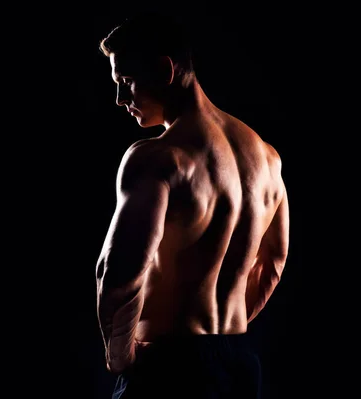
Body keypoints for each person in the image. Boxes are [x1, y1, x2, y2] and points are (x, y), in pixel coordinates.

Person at [94, 13, 289, 399]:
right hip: (238, 365)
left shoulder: (160, 158)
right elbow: (274, 262)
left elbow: (118, 273)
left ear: (166, 70)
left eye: (126, 82)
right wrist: (220, 340)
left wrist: (121, 357)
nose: (120, 99)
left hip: (169, 369)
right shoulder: (266, 157)